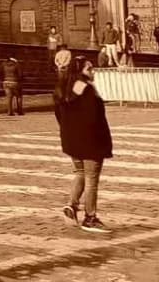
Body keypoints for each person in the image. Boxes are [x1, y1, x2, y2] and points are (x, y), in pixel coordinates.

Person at [55, 55, 114, 233]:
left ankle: (72, 206)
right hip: (90, 142)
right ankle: (90, 217)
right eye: (89, 68)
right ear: (80, 71)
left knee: (80, 173)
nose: (93, 71)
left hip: (72, 142)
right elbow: (93, 119)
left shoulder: (66, 89)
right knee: (91, 180)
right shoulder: (87, 90)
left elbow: (60, 116)